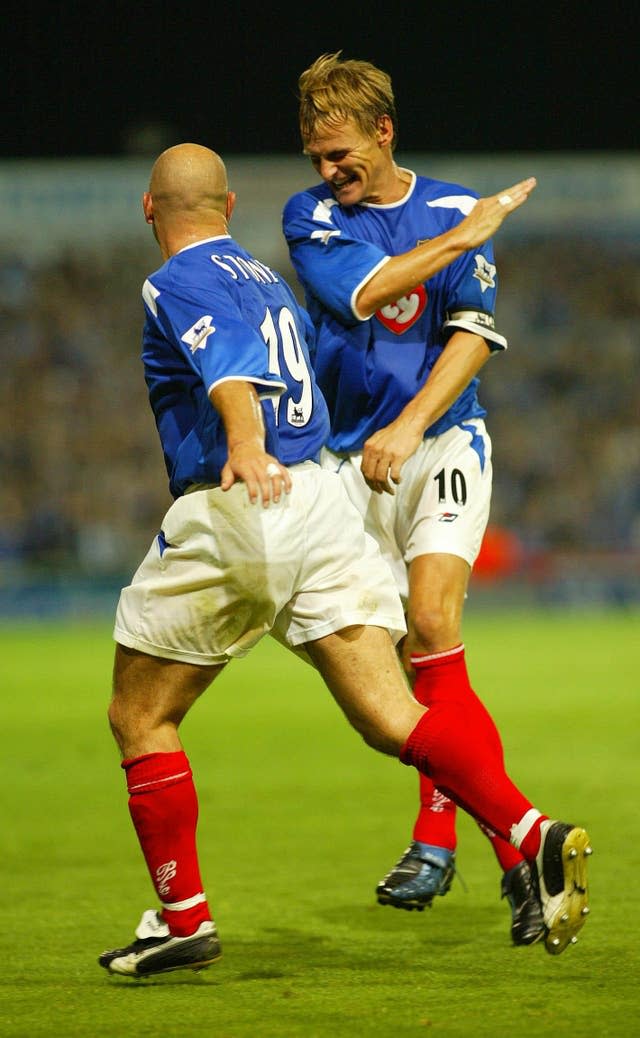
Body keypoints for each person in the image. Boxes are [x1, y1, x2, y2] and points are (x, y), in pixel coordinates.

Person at [98, 143, 591, 978]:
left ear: (151, 210)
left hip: (243, 507)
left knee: (139, 717)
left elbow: (230, 375)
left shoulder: (174, 282)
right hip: (323, 500)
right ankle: (527, 833)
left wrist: (247, 447)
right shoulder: (266, 278)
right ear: (231, 208)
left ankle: (183, 920)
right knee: (392, 717)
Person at [283, 51, 545, 944]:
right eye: (316, 156)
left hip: (441, 443)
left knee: (433, 624)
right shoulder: (312, 216)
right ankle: (518, 851)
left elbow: (471, 336)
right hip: (344, 465)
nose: (328, 173)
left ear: (383, 131)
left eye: (341, 153)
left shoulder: (445, 205)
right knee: (389, 671)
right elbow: (365, 292)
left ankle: (444, 839)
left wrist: (412, 425)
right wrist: (468, 236)